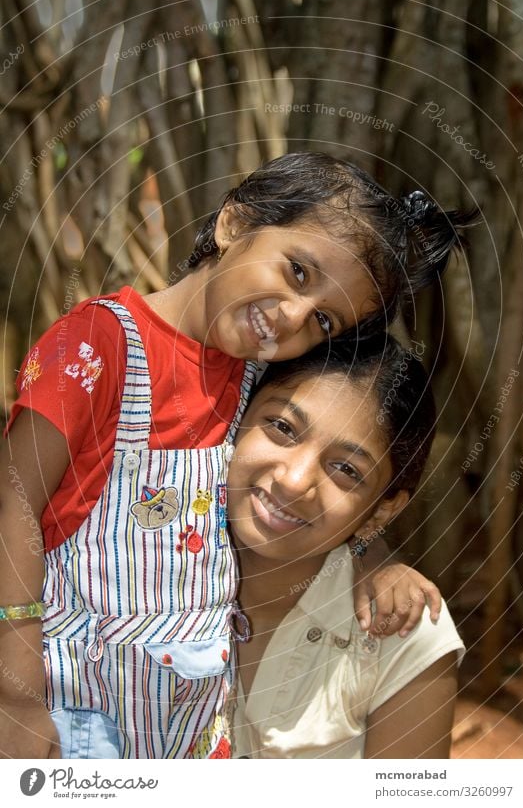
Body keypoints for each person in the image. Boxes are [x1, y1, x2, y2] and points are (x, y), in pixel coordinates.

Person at [0, 152, 471, 759]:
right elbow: (13, 500)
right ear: (235, 225)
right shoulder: (100, 346)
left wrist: (374, 559)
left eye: (324, 320)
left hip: (194, 730)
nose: (294, 316)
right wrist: (15, 693)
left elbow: (333, 496)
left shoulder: (254, 379)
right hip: (78, 712)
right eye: (299, 272)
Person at [229, 334, 465, 758]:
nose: (295, 480)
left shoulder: (403, 632)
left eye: (346, 469)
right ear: (236, 418)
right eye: (282, 427)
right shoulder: (134, 565)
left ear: (381, 511)